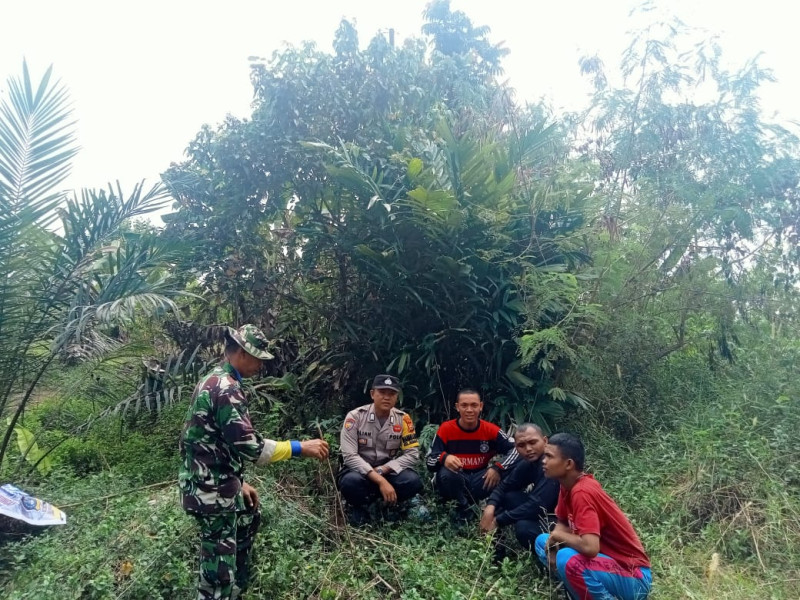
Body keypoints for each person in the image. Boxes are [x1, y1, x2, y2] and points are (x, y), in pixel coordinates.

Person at [179, 324, 330, 600]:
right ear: (241, 353)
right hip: (212, 494)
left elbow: (211, 443)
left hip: (212, 485)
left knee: (227, 552)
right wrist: (300, 447)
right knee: (217, 574)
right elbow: (251, 448)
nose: (261, 364)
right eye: (258, 357)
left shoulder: (213, 379)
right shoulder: (226, 389)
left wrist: (238, 482)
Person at [535, 433, 652, 600]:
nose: (543, 461)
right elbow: (561, 520)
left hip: (634, 576)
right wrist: (554, 542)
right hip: (605, 565)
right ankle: (580, 588)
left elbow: (590, 548)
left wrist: (558, 536)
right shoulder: (566, 484)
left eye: (549, 456)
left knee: (567, 559)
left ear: (568, 464)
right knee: (542, 542)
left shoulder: (582, 492)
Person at [338, 374, 423, 525]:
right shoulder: (355, 417)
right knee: (350, 482)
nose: (386, 397)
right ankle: (361, 506)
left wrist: (384, 470)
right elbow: (350, 456)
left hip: (387, 470)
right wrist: (379, 480)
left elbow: (412, 454)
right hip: (359, 472)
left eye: (391, 394)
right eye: (382, 393)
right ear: (372, 394)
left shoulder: (403, 419)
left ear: (396, 397)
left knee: (413, 481)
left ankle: (389, 505)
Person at [426, 389, 518, 519]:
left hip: (480, 480)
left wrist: (498, 468)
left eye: (474, 405)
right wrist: (444, 457)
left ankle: (498, 510)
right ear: (457, 407)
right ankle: (463, 511)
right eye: (464, 405)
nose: (469, 410)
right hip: (456, 479)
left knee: (514, 467)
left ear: (480, 406)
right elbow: (430, 462)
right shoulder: (446, 429)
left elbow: (517, 449)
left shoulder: (491, 430)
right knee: (446, 473)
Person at [479, 423, 559, 549]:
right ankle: (494, 547)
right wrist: (489, 508)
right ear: (516, 448)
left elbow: (537, 505)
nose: (528, 449)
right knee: (507, 496)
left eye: (533, 442)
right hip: (544, 510)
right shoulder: (529, 462)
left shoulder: (552, 464)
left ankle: (547, 562)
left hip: (564, 522)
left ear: (545, 441)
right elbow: (503, 487)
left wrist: (499, 520)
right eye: (521, 445)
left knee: (524, 528)